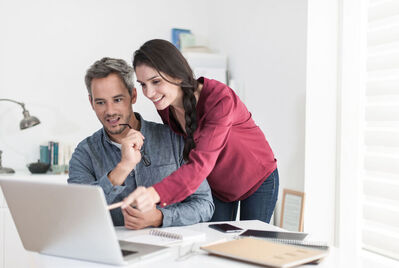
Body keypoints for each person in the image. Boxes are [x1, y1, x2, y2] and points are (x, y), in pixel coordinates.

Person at [122, 39, 279, 223]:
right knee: (214, 244)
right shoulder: (165, 105)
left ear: (177, 74)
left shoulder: (220, 99)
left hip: (256, 178)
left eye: (155, 81)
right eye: (143, 84)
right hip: (218, 186)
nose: (149, 93)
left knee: (252, 247)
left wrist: (154, 194)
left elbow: (199, 164)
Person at [68, 57, 214, 230]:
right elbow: (79, 214)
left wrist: (159, 217)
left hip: (171, 249)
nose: (110, 111)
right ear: (91, 102)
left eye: (117, 99)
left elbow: (205, 205)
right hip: (117, 252)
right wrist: (123, 167)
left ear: (133, 96)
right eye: (100, 102)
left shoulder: (173, 138)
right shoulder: (84, 154)